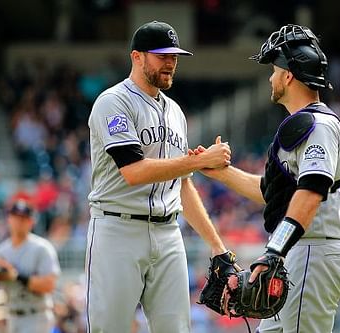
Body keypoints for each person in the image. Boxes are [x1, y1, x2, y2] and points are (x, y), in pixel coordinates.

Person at [192, 24, 340, 332]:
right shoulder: (304, 124)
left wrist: (273, 251)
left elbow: (311, 191)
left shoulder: (315, 125)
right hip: (300, 251)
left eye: (274, 70)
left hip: (312, 251)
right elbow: (275, 193)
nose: (270, 77)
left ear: (289, 75)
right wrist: (222, 174)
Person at [85, 20, 233, 332]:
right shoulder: (113, 102)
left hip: (168, 233)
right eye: (161, 55)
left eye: (174, 56)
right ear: (136, 57)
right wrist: (199, 161)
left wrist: (218, 246)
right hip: (118, 230)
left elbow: (182, 184)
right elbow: (134, 172)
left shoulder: (176, 112)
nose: (170, 62)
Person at [0, 198, 61, 333]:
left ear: (31, 221)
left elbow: (49, 285)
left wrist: (16, 276)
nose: (19, 222)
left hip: (36, 316)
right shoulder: (2, 250)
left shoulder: (42, 248)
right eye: (16, 217)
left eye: (23, 218)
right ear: (9, 219)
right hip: (12, 317)